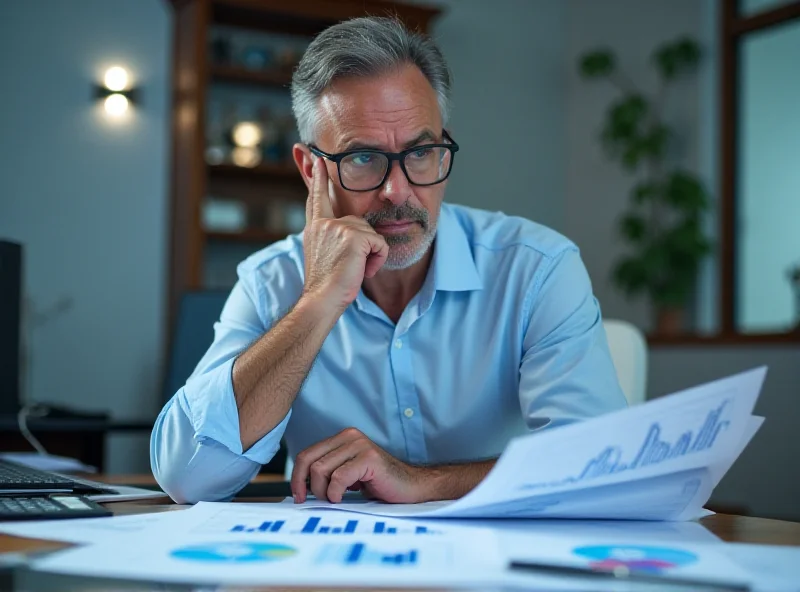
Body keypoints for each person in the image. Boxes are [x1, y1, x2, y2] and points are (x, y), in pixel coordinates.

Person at [150, 16, 627, 505]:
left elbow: (602, 464)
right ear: (311, 169)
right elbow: (188, 476)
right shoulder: (270, 283)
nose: (397, 191)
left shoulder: (536, 269)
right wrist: (316, 302)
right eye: (362, 158)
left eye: (421, 152)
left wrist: (420, 482)